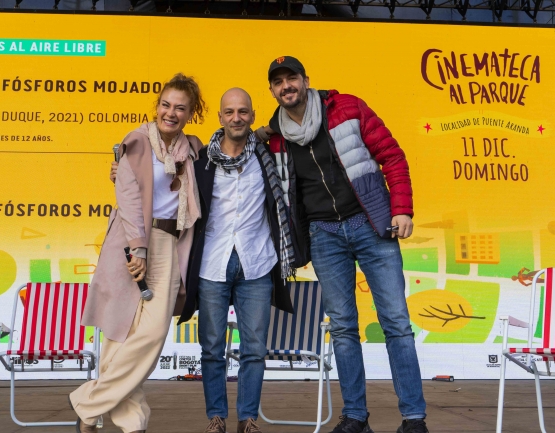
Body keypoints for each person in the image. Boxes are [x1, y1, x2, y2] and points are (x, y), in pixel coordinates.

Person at [257, 56, 429, 433]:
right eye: (278, 82)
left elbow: (392, 156)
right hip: (324, 235)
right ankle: (355, 417)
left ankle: (413, 418)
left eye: (292, 78)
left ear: (306, 80)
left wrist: (401, 209)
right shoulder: (274, 137)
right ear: (272, 90)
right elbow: (230, 155)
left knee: (396, 322)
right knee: (343, 327)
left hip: (371, 226)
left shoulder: (347, 107)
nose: (286, 86)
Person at [71, 73, 206, 433]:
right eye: (166, 104)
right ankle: (133, 423)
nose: (170, 113)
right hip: (132, 243)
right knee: (121, 332)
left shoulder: (193, 149)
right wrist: (139, 249)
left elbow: (231, 148)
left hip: (172, 244)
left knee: (151, 334)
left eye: (180, 107)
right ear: (156, 106)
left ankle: (87, 406)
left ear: (191, 112)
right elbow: (129, 200)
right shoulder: (136, 141)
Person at [177, 88, 295, 433]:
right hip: (212, 262)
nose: (236, 118)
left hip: (257, 261)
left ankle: (248, 419)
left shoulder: (269, 160)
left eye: (243, 112)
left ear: (253, 116)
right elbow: (163, 177)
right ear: (220, 117)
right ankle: (216, 416)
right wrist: (119, 169)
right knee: (212, 347)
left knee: (254, 348)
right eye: (229, 112)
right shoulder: (200, 162)